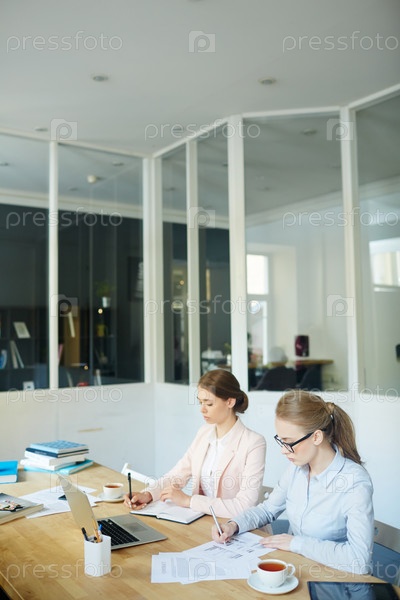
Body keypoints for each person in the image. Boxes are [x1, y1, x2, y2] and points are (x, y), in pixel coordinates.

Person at [212, 389, 374, 574]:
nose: (283, 450)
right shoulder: (297, 469)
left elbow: (359, 560)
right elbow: (267, 510)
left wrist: (297, 543)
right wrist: (233, 525)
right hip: (297, 567)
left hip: (337, 577)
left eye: (289, 442)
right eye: (281, 441)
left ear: (316, 437)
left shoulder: (354, 481)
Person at [123, 369, 266, 518]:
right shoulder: (204, 433)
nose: (202, 409)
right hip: (201, 521)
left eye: (209, 404)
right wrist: (148, 494)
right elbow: (177, 474)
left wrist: (189, 501)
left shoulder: (254, 443)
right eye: (200, 402)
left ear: (230, 402)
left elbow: (244, 505)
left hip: (236, 526)